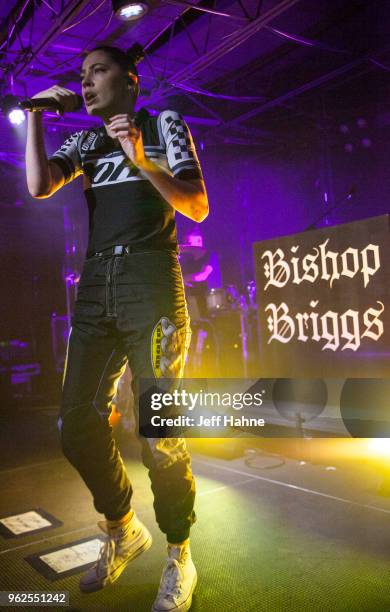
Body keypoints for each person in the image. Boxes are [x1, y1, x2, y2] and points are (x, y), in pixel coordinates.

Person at [25, 43, 208, 612]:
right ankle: (123, 527)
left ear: (130, 80)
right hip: (97, 285)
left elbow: (197, 205)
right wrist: (33, 114)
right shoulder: (84, 140)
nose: (86, 82)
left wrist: (141, 157)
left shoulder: (164, 124)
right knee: (75, 422)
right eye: (81, 75)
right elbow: (38, 185)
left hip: (151, 280)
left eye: (97, 71)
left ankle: (180, 553)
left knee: (158, 432)